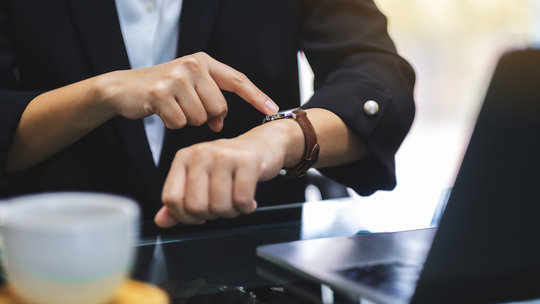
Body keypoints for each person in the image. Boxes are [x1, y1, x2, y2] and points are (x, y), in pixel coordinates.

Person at [0, 0, 415, 229]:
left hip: (258, 294)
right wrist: (103, 91)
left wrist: (281, 138)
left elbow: (374, 72)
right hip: (53, 284)